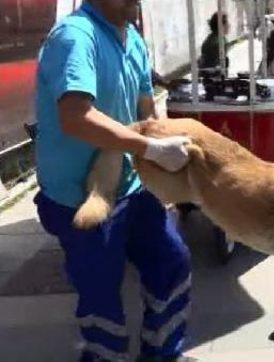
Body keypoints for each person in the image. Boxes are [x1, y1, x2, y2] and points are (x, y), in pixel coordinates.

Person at [33, 1, 195, 361]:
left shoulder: (132, 38)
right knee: (101, 295)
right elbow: (76, 118)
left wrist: (163, 161)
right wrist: (150, 148)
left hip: (133, 187)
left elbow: (145, 109)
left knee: (172, 264)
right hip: (77, 197)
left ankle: (163, 353)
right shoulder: (76, 37)